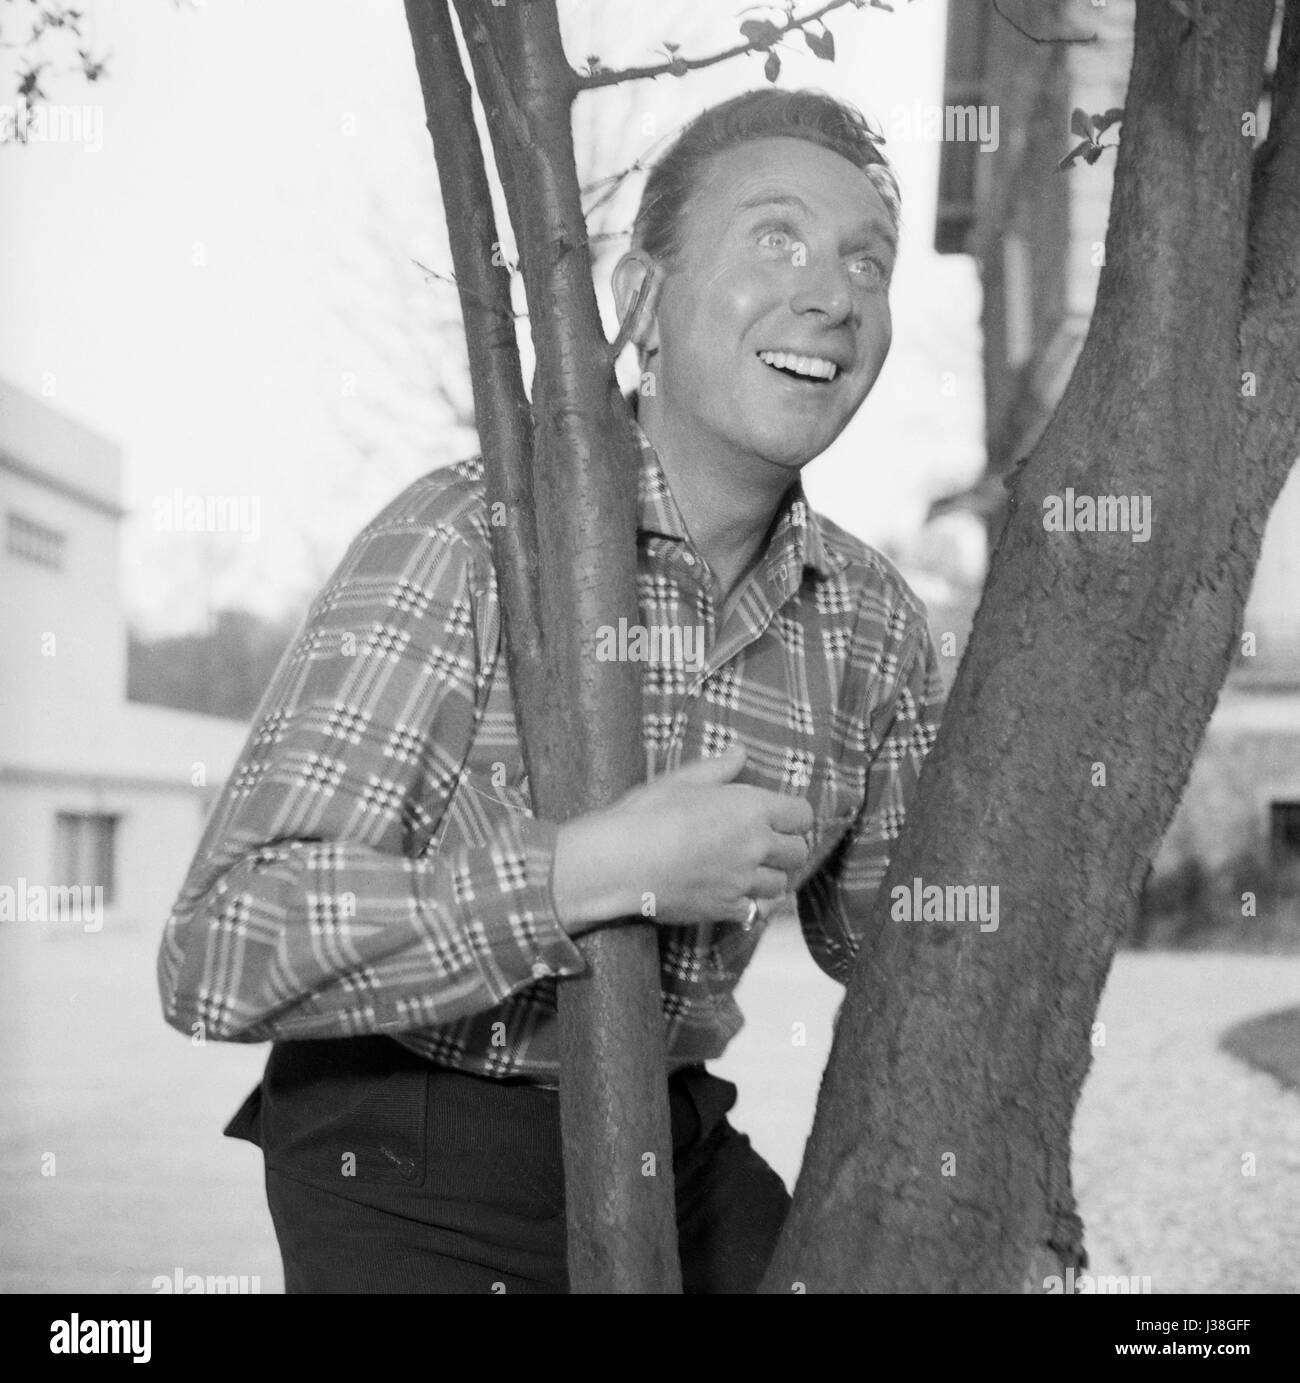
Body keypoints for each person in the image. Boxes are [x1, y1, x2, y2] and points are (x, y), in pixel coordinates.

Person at [157, 86, 944, 1294]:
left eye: (867, 263)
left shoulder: (873, 621)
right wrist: (597, 870)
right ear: (640, 301)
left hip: (666, 1139)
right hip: (411, 1144)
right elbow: (223, 950)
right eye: (774, 239)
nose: (832, 295)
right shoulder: (468, 535)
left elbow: (898, 945)